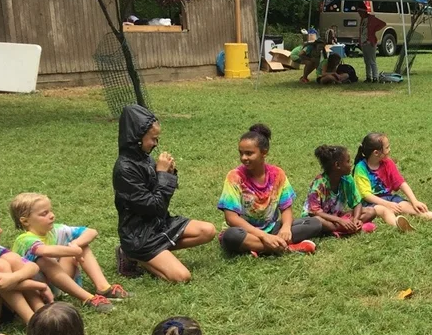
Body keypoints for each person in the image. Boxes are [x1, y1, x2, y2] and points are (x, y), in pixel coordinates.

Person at [113, 105, 217, 283]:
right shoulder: (124, 169)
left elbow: (159, 202)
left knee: (208, 231)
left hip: (159, 225)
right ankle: (132, 254)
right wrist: (162, 175)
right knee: (182, 277)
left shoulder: (144, 157)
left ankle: (158, 254)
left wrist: (168, 173)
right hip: (139, 236)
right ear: (137, 137)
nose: (155, 144)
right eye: (152, 139)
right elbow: (154, 206)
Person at [217, 124, 326, 255]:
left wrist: (286, 228)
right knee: (231, 235)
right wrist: (264, 236)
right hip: (245, 231)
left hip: (272, 228)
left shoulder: (277, 174)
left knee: (314, 223)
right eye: (241, 153)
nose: (243, 158)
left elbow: (286, 208)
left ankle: (259, 248)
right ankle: (287, 248)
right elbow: (231, 219)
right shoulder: (234, 177)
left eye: (249, 153)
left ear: (264, 152)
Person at [10, 193, 123, 313]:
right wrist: (73, 250)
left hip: (58, 282)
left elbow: (91, 232)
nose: (52, 216)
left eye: (50, 211)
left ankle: (104, 288)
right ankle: (88, 298)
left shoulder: (56, 230)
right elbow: (43, 250)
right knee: (44, 259)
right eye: (44, 213)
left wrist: (76, 245)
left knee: (82, 245)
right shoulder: (24, 239)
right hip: (36, 291)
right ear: (25, 221)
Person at [353, 132, 432, 228]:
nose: (389, 149)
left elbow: (401, 182)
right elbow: (366, 195)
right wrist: (388, 204)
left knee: (410, 207)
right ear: (376, 153)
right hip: (370, 203)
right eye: (387, 148)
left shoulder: (388, 163)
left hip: (388, 197)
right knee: (385, 211)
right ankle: (398, 226)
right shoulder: (360, 168)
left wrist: (414, 201)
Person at [0, 206, 52, 329]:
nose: (1, 230)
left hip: (3, 306)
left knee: (11, 258)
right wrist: (40, 285)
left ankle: (41, 310)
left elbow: (32, 266)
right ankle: (32, 321)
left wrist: (14, 277)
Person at [303, 145, 384, 235]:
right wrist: (340, 220)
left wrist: (355, 219)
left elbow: (357, 203)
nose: (350, 164)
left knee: (370, 211)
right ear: (337, 165)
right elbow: (315, 212)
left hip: (337, 217)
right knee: (317, 221)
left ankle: (343, 229)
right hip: (317, 219)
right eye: (348, 161)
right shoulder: (319, 183)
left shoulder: (347, 179)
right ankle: (344, 230)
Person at [356, 5, 387, 84]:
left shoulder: (371, 19)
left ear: (364, 11)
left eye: (360, 12)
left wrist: (374, 30)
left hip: (370, 42)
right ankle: (368, 77)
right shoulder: (362, 20)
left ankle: (375, 77)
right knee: (366, 61)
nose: (359, 14)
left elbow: (383, 23)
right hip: (363, 42)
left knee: (372, 61)